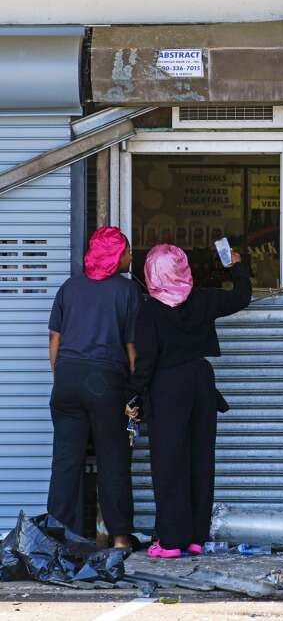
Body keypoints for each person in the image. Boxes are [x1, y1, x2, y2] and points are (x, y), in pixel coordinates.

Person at [126, 243, 251, 559]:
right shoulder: (203, 298)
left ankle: (170, 541)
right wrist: (236, 267)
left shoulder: (149, 309)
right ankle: (196, 537)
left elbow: (146, 361)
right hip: (201, 380)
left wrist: (134, 396)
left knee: (169, 464)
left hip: (167, 385)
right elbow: (241, 297)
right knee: (200, 460)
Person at [46, 227, 141, 549]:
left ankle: (58, 537)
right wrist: (134, 389)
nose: (131, 256)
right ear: (116, 256)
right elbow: (131, 347)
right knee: (112, 459)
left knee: (65, 461)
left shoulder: (69, 288)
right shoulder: (126, 292)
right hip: (104, 379)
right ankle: (119, 538)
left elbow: (55, 340)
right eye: (127, 251)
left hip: (67, 379)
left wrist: (61, 377)